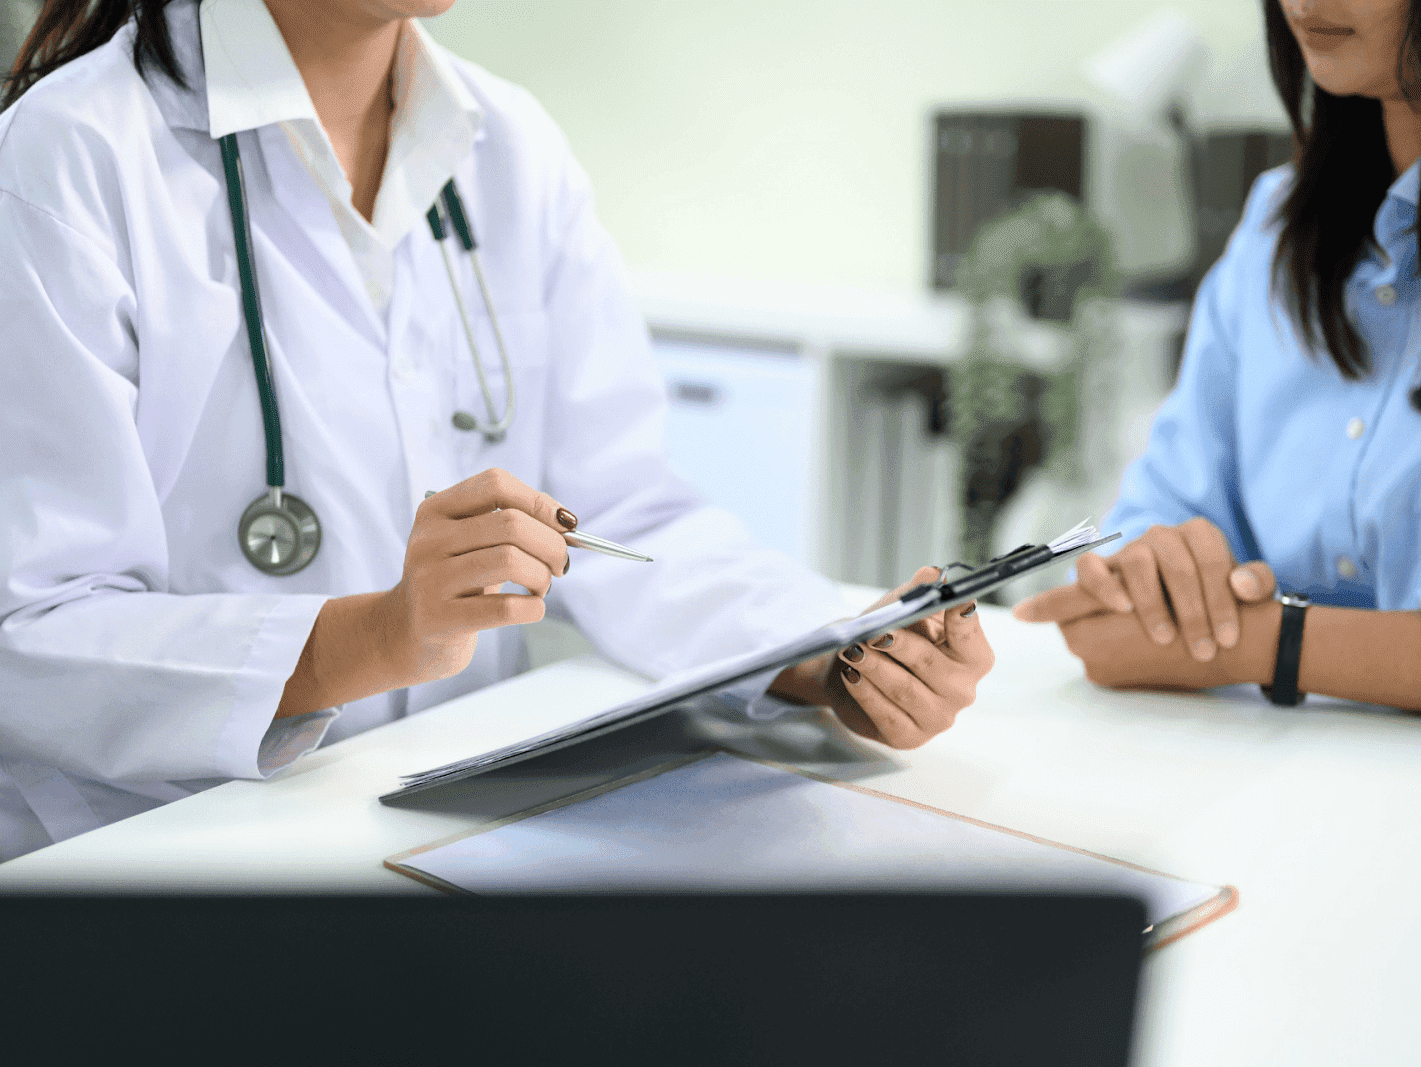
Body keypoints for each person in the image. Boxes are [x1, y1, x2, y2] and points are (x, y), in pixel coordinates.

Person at [0, 0, 995, 860]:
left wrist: (834, 657)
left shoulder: (508, 147)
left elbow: (619, 512)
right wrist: (378, 634)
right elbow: (29, 633)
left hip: (427, 831)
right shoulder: (69, 156)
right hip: (148, 858)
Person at [1014, 0, 1421, 740]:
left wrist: (1268, 641)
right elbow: (1155, 516)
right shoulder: (1271, 227)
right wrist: (1151, 574)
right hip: (1255, 801)